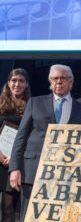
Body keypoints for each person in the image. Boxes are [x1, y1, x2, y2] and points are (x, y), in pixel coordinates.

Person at [9, 64, 81, 222]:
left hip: (64, 175)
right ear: (50, 81)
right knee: (29, 215)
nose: (59, 81)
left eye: (63, 78)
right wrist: (15, 168)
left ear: (71, 81)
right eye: (55, 78)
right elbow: (21, 137)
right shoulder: (35, 102)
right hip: (32, 171)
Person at [0, 68, 31, 222]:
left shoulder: (32, 106)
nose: (17, 84)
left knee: (7, 207)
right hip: (0, 157)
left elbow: (31, 136)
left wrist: (14, 157)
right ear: (8, 83)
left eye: (21, 81)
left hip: (15, 162)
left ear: (26, 84)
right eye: (14, 80)